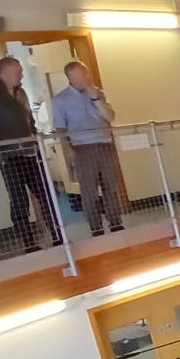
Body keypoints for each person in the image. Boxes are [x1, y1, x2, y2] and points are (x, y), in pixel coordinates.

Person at [0, 56, 62, 252]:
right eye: (18, 72)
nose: (22, 76)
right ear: (4, 73)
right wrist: (1, 156)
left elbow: (29, 120)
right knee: (19, 201)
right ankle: (28, 243)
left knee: (46, 195)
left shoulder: (21, 92)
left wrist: (35, 138)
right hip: (10, 159)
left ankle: (58, 236)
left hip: (31, 154)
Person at [53, 61, 123, 237]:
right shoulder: (60, 100)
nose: (84, 78)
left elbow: (110, 117)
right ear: (70, 78)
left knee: (111, 186)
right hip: (81, 148)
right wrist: (67, 150)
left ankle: (116, 222)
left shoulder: (98, 93)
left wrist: (96, 99)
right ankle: (96, 227)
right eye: (80, 75)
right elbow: (60, 129)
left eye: (85, 74)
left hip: (105, 144)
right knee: (89, 190)